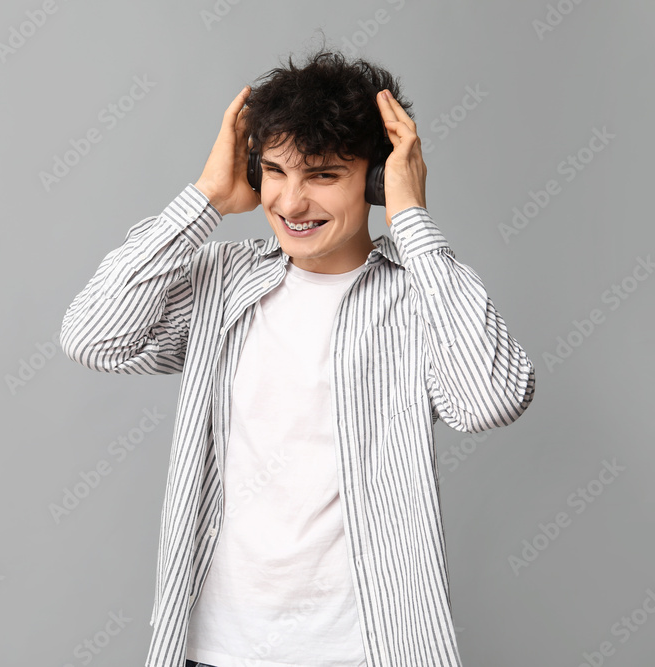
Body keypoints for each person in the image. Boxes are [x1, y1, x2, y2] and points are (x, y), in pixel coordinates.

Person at [59, 47, 535, 667]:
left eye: (324, 175)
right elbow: (92, 336)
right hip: (217, 649)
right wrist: (204, 198)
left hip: (367, 651)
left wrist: (412, 220)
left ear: (374, 179)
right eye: (276, 172)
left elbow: (490, 400)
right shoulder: (223, 283)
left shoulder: (418, 299)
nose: (290, 202)